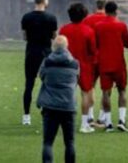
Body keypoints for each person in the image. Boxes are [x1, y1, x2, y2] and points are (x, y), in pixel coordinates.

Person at [58, 3, 99, 133]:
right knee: (85, 93)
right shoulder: (88, 30)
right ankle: (84, 123)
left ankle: (65, 123)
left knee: (66, 94)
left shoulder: (64, 30)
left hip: (67, 65)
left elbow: (60, 48)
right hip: (84, 65)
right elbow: (93, 50)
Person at [37, 35, 78, 163]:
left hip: (50, 105)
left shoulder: (47, 62)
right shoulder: (74, 63)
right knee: (69, 142)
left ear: (53, 46)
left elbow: (41, 76)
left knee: (48, 142)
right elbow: (77, 79)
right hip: (68, 105)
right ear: (67, 46)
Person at [22, 0, 58, 126]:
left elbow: (25, 36)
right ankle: (45, 111)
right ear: (44, 1)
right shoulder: (51, 17)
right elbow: (54, 36)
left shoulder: (26, 17)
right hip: (46, 53)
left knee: (29, 84)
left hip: (31, 52)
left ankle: (26, 116)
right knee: (48, 84)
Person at [94, 0, 128, 132]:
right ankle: (121, 120)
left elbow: (96, 44)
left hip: (104, 63)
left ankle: (108, 122)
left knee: (105, 92)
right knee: (122, 90)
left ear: (105, 11)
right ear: (116, 11)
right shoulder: (121, 25)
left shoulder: (98, 26)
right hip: (118, 63)